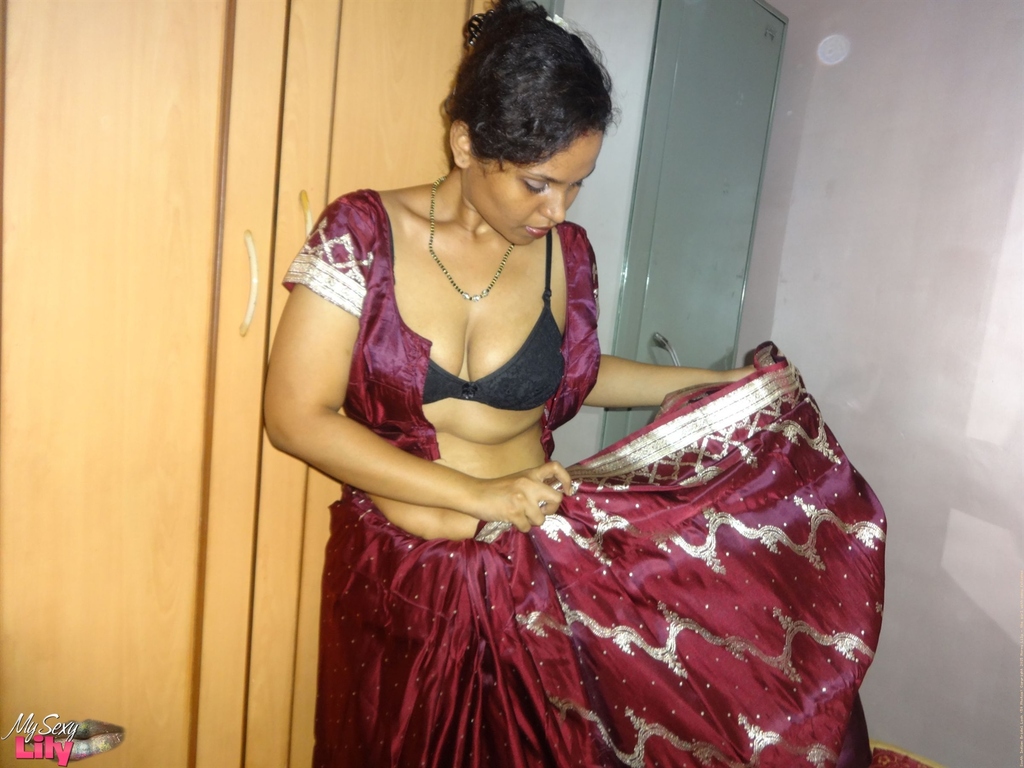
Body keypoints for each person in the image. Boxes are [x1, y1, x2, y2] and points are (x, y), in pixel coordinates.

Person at [264, 2, 884, 766]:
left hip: (533, 573)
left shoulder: (566, 254)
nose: (555, 209)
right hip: (401, 580)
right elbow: (296, 417)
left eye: (575, 185)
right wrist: (480, 496)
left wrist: (716, 381)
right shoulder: (361, 235)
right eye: (536, 183)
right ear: (465, 143)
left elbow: (574, 374)